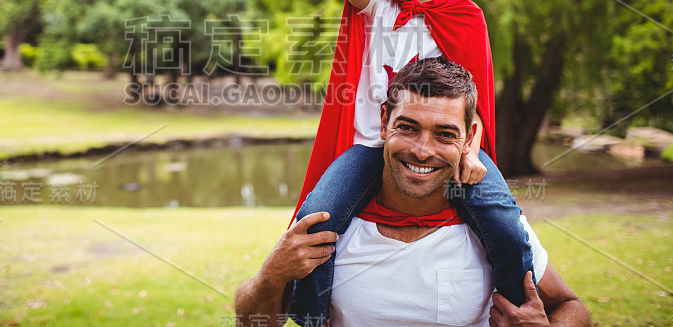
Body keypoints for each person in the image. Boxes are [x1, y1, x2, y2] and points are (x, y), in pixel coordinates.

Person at [280, 0, 532, 325]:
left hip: (451, 146)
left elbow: (478, 99)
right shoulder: (378, 2)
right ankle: (314, 317)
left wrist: (471, 152)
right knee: (315, 216)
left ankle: (516, 310)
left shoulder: (468, 17)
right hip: (371, 148)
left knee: (507, 225)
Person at [234, 57, 591, 327]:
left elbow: (573, 307)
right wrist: (272, 275)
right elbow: (251, 321)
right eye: (408, 127)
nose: (422, 150)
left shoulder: (497, 228)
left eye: (445, 134)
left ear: (469, 140)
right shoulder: (329, 226)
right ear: (384, 120)